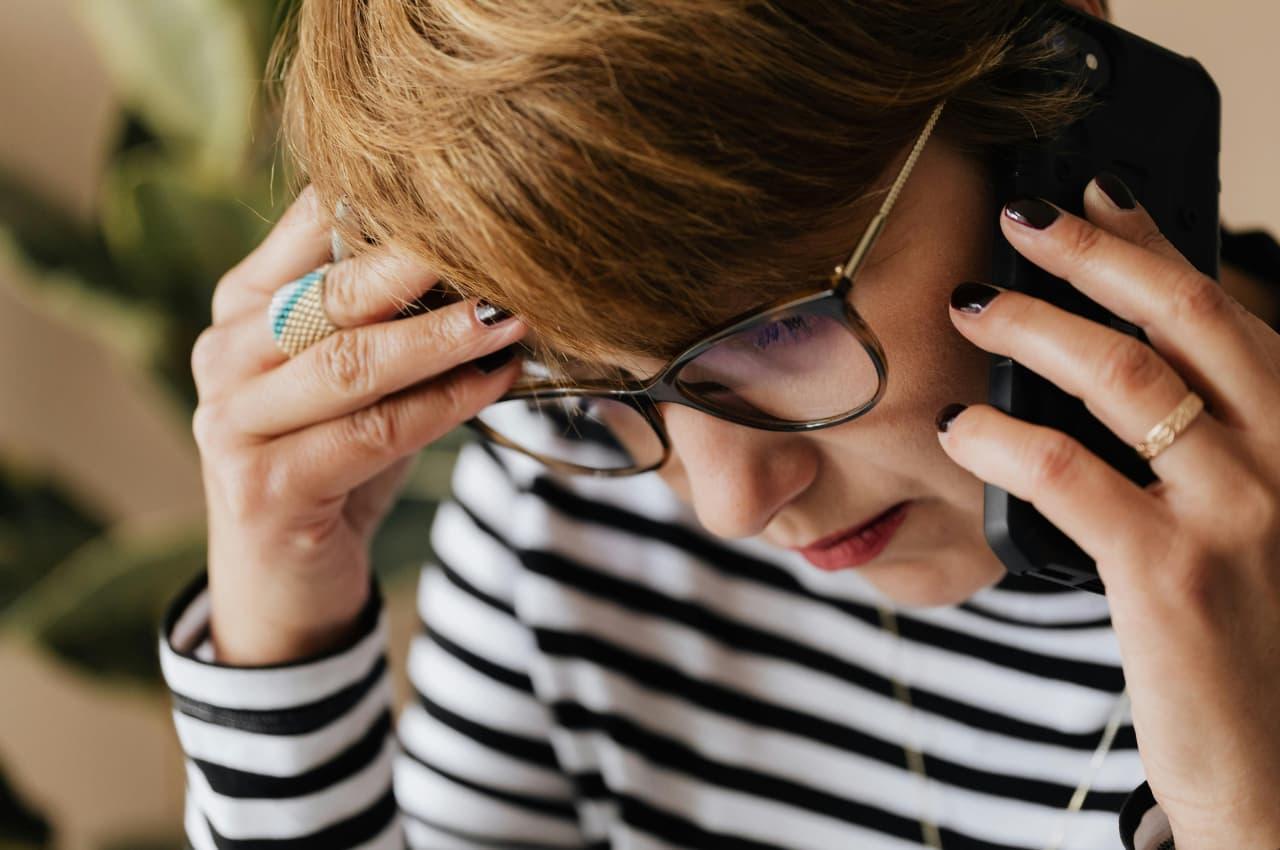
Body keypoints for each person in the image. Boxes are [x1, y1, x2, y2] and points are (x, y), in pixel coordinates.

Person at [164, 0, 1280, 848]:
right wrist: (280, 636)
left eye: (780, 328)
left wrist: (1244, 805)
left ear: (1062, 96)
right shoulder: (561, 501)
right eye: (594, 378)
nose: (728, 505)